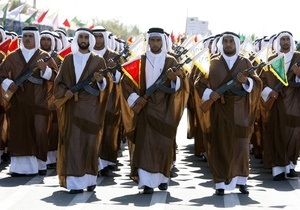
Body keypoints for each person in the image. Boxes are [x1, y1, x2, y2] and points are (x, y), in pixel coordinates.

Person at [121, 27, 189, 194]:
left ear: (163, 42)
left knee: (163, 145)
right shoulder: (139, 60)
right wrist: (137, 100)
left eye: (158, 40)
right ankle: (146, 181)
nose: (155, 43)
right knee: (145, 145)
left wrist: (175, 80)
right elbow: (126, 82)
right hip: (145, 110)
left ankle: (163, 178)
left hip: (166, 110)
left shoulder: (171, 61)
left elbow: (183, 84)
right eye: (152, 40)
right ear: (148, 41)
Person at [194, 32, 262, 195]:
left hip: (241, 111)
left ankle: (242, 180)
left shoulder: (245, 61)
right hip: (220, 110)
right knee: (220, 145)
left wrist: (246, 81)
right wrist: (210, 94)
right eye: (225, 41)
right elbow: (198, 83)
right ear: (221, 44)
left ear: (236, 44)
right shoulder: (212, 62)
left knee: (241, 146)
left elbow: (257, 83)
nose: (228, 44)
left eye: (231, 41)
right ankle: (220, 184)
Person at [53, 28, 113, 194]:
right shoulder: (68, 59)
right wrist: (65, 91)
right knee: (73, 144)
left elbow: (106, 86)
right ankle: (74, 182)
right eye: (81, 37)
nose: (84, 39)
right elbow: (58, 83)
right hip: (72, 109)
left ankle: (90, 179)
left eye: (87, 37)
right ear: (77, 39)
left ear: (90, 40)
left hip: (92, 110)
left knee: (90, 144)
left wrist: (100, 81)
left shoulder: (98, 60)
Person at [0, 26, 58, 176]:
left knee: (39, 132)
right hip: (18, 102)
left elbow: (56, 78)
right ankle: (19, 168)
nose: (27, 39)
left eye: (30, 36)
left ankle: (40, 165)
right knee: (19, 132)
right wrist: (8, 83)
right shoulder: (13, 56)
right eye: (25, 36)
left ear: (36, 38)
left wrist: (44, 69)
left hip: (39, 102)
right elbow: (2, 74)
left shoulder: (44, 56)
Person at [260, 31, 300, 181]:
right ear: (279, 42)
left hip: (295, 102)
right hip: (277, 104)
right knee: (277, 134)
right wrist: (271, 92)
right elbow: (262, 81)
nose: (285, 42)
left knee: (294, 135)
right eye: (282, 39)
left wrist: (298, 73)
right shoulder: (271, 60)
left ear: (291, 41)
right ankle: (277, 169)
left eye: (287, 39)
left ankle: (290, 166)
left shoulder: (298, 57)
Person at [92, 26, 125, 176]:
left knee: (108, 132)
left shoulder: (114, 56)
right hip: (89, 100)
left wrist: (112, 69)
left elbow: (121, 80)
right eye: (95, 36)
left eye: (100, 37)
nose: (98, 40)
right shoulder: (86, 55)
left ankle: (105, 162)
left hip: (110, 100)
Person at [39, 30, 59, 169]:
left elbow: (58, 76)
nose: (45, 42)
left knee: (53, 128)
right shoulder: (37, 56)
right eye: (43, 39)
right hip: (37, 97)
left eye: (48, 40)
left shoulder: (58, 57)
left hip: (53, 97)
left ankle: (52, 158)